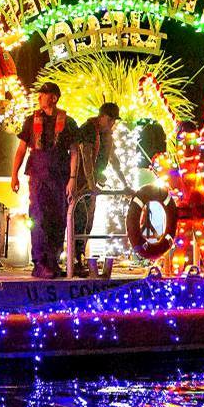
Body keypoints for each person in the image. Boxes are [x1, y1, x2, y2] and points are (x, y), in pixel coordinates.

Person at [11, 81, 79, 278]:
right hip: (38, 176)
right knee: (38, 219)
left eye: (44, 94)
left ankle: (53, 261)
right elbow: (21, 150)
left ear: (54, 98)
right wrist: (14, 175)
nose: (39, 97)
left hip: (60, 177)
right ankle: (40, 263)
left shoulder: (68, 122)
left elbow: (74, 152)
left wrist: (72, 179)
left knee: (58, 220)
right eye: (39, 94)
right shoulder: (31, 121)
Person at [69, 102, 126, 276]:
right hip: (80, 183)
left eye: (113, 121)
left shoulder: (107, 135)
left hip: (91, 186)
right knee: (80, 219)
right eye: (109, 120)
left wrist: (125, 184)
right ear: (102, 117)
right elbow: (85, 157)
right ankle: (75, 260)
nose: (111, 124)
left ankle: (80, 258)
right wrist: (91, 183)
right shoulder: (88, 129)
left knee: (89, 221)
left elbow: (113, 159)